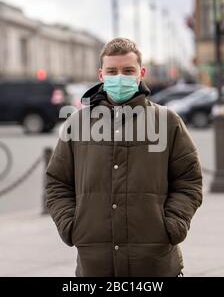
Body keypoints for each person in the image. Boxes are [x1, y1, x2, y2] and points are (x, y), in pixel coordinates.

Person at [46, 38, 203, 277]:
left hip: (155, 265)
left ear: (141, 73)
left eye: (128, 70)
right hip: (95, 266)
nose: (120, 77)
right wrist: (70, 226)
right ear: (101, 75)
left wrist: (173, 224)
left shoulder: (167, 121)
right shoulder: (76, 123)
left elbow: (188, 179)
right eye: (112, 71)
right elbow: (57, 182)